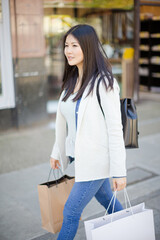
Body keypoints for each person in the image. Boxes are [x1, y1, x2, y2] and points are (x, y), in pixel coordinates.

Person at [50, 24, 127, 240]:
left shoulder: (104, 82)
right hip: (81, 159)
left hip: (95, 160)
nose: (68, 50)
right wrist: (57, 151)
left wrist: (120, 172)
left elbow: (114, 129)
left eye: (74, 45)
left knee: (71, 211)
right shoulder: (71, 80)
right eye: (66, 45)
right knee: (108, 201)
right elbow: (66, 122)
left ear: (88, 47)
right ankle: (131, 230)